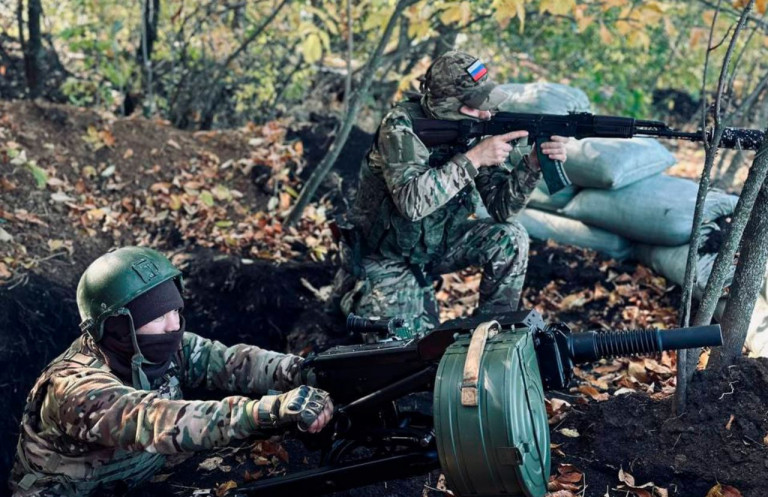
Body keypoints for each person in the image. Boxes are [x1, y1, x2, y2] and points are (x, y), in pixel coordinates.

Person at [10, 246, 333, 497]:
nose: (173, 326)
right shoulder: (74, 388)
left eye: (176, 310)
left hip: (141, 480)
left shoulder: (163, 346)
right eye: (157, 316)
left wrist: (307, 372)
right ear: (119, 326)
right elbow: (156, 420)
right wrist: (265, 411)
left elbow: (234, 363)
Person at [332, 50, 568, 331]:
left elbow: (502, 209)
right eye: (474, 106)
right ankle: (349, 297)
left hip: (437, 245)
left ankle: (491, 334)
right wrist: (474, 158)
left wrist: (531, 166)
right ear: (445, 105)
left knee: (511, 237)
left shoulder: (474, 127)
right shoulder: (399, 128)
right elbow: (412, 204)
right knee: (404, 350)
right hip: (386, 255)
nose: (485, 113)